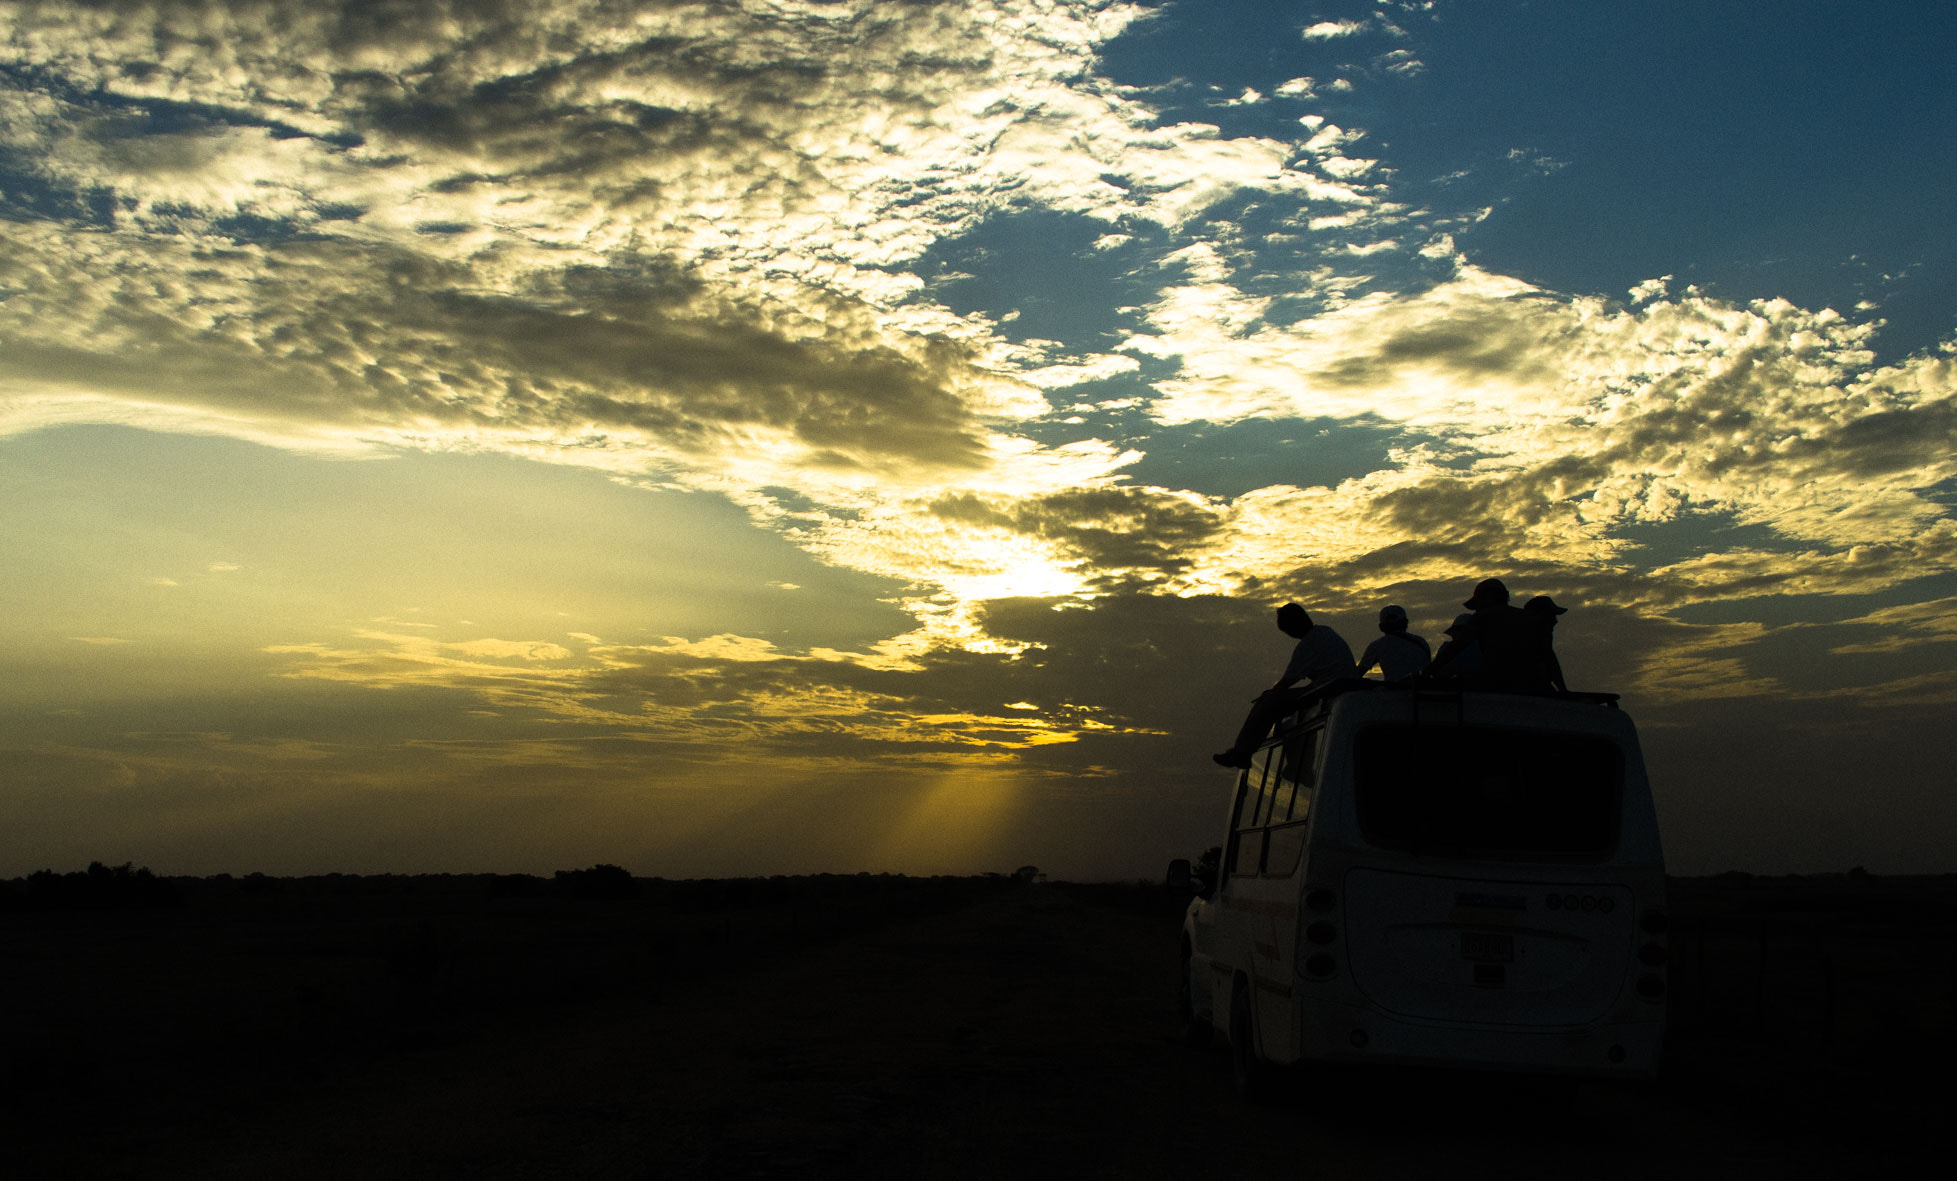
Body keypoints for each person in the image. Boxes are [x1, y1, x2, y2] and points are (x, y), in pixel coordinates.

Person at [1213, 603, 1355, 769]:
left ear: (1294, 626)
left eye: (1287, 630)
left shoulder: (1309, 643)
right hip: (1336, 687)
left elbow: (1288, 680)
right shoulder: (1325, 632)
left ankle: (1241, 753)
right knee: (1275, 701)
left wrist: (1269, 697)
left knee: (1268, 703)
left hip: (1329, 691)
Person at [1426, 577, 1531, 690]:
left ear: (1488, 598)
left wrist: (1425, 672)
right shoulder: (1529, 618)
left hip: (1498, 686)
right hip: (1531, 686)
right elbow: (1548, 657)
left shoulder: (1483, 617)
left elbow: (1455, 648)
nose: (1476, 611)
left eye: (1478, 605)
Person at [1354, 604, 1430, 682]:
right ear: (1405, 623)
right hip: (1424, 688)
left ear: (1381, 627)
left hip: (1395, 690)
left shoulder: (1377, 646)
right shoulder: (1421, 642)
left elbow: (1356, 675)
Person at [1522, 594, 1569, 693]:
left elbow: (1552, 665)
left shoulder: (1543, 648)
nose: (1555, 621)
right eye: (1551, 616)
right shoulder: (1528, 649)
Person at [1426, 612, 1482, 680]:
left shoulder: (1447, 648)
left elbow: (1438, 672)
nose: (1452, 636)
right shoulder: (1485, 648)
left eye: (1454, 632)